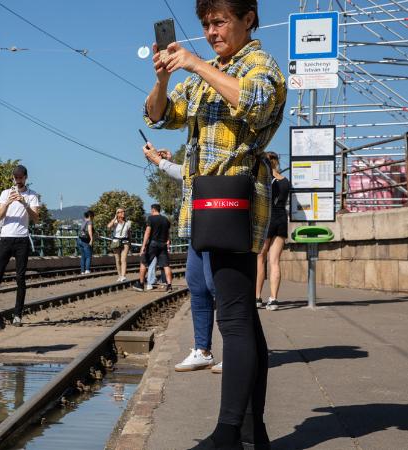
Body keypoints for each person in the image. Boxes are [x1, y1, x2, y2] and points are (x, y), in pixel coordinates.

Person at [144, 0, 285, 447]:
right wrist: (164, 77)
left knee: (236, 318)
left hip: (237, 200)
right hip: (209, 204)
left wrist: (196, 63)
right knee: (242, 316)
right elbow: (159, 116)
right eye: (205, 24)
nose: (210, 31)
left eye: (219, 21)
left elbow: (255, 104)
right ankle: (251, 431)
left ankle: (227, 432)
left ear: (248, 19)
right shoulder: (210, 73)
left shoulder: (259, 64)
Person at [143, 146, 220, 373]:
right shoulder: (196, 135)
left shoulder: (214, 133)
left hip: (214, 219)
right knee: (197, 286)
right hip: (195, 222)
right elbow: (190, 174)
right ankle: (203, 350)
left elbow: (195, 175)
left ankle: (238, 351)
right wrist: (170, 161)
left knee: (217, 286)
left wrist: (160, 162)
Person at [0, 165, 40, 325]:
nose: (18, 180)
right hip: (6, 238)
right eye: (16, 178)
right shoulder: (5, 193)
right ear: (12, 178)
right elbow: (0, 216)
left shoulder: (32, 195)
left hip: (22, 239)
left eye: (21, 177)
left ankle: (17, 315)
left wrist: (24, 203)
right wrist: (7, 202)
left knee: (20, 278)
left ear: (26, 177)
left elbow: (36, 218)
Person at [256, 152, 290, 311]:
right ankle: (274, 299)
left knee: (260, 258)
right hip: (282, 219)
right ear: (277, 162)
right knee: (274, 261)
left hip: (267, 219)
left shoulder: (263, 180)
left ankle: (257, 298)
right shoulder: (286, 181)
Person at [133, 204, 173, 292]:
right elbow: (168, 233)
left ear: (153, 210)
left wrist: (143, 246)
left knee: (144, 263)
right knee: (166, 265)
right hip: (163, 245)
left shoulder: (151, 218)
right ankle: (169, 285)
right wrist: (168, 242)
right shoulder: (166, 220)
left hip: (153, 244)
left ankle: (141, 284)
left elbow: (147, 232)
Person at [106, 208, 131, 282]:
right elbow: (108, 226)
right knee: (117, 260)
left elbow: (129, 233)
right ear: (117, 214)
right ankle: (119, 275)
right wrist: (114, 218)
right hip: (116, 241)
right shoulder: (115, 222)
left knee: (123, 259)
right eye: (121, 212)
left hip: (125, 241)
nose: (123, 213)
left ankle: (123, 276)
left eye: (124, 211)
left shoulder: (128, 222)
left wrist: (130, 242)